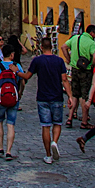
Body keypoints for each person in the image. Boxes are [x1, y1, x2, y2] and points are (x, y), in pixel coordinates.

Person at [22, 36, 73, 164]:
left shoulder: (37, 61)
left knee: (45, 126)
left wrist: (17, 72)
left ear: (41, 47)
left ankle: (48, 155)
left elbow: (28, 76)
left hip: (43, 97)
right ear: (52, 47)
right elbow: (65, 80)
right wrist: (70, 96)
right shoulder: (59, 61)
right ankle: (54, 142)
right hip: (57, 96)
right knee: (57, 123)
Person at [0, 44, 24, 160]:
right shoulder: (16, 66)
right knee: (11, 124)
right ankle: (9, 151)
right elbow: (22, 81)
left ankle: (0, 147)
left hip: (1, 99)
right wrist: (20, 93)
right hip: (14, 98)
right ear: (12, 55)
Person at [61, 24, 95, 129]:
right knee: (84, 96)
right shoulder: (91, 43)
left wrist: (68, 59)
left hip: (75, 69)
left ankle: (70, 118)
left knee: (74, 94)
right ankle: (84, 121)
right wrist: (92, 64)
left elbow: (64, 47)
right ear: (92, 33)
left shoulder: (75, 38)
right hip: (86, 71)